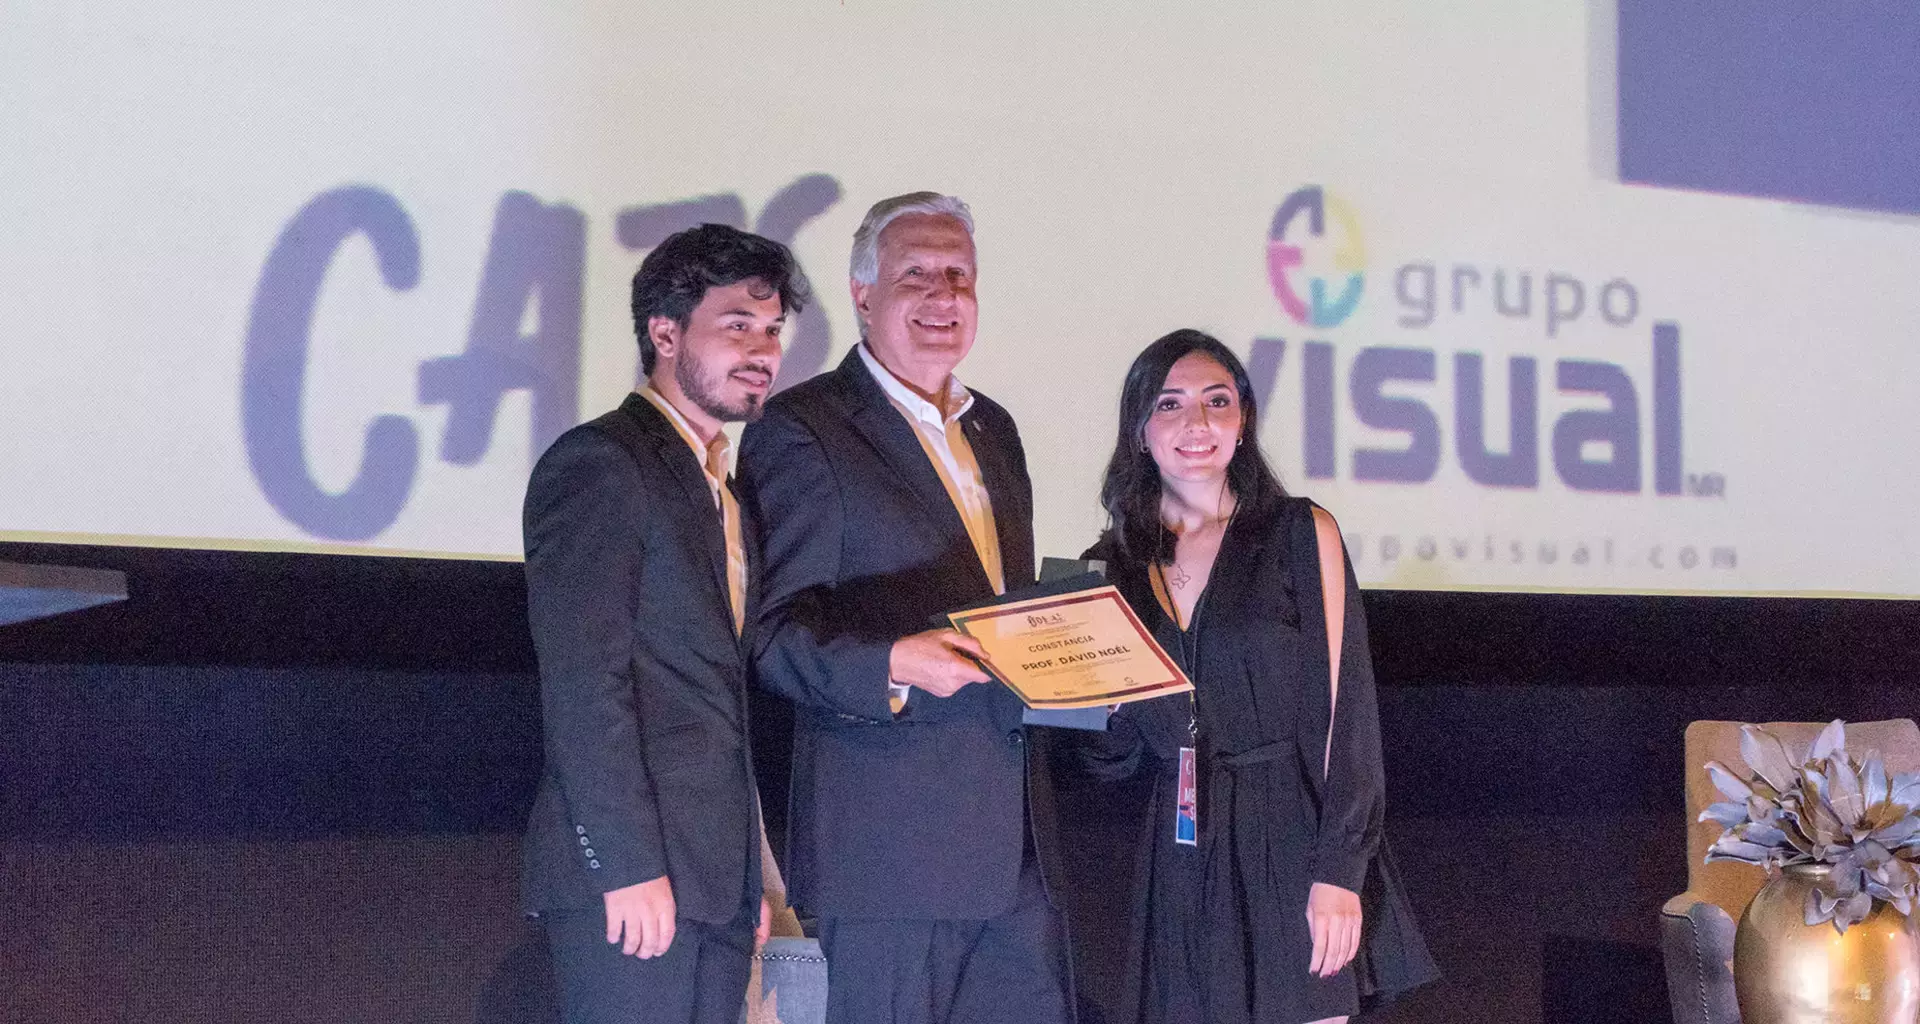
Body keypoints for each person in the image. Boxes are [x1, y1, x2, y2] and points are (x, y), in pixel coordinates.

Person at [738, 192, 1074, 1024]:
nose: (943, 296)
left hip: (1016, 846)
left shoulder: (994, 429)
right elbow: (771, 635)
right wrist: (891, 662)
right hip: (887, 852)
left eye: (958, 275)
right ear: (862, 295)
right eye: (916, 274)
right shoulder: (804, 428)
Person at [1073, 329, 1435, 1024]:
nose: (1197, 423)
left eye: (1217, 401)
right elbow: (1108, 759)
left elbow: (1346, 715)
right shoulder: (1106, 568)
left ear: (1243, 422)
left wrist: (1339, 872)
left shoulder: (1300, 531)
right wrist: (1098, 710)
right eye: (1170, 404)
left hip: (1292, 833)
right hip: (1176, 846)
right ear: (1140, 430)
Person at [520, 223, 810, 1024]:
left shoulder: (723, 486)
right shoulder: (603, 464)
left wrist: (746, 880)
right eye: (738, 326)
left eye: (773, 330)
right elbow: (585, 679)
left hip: (715, 884)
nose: (762, 350)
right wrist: (626, 865)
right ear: (665, 331)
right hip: (635, 882)